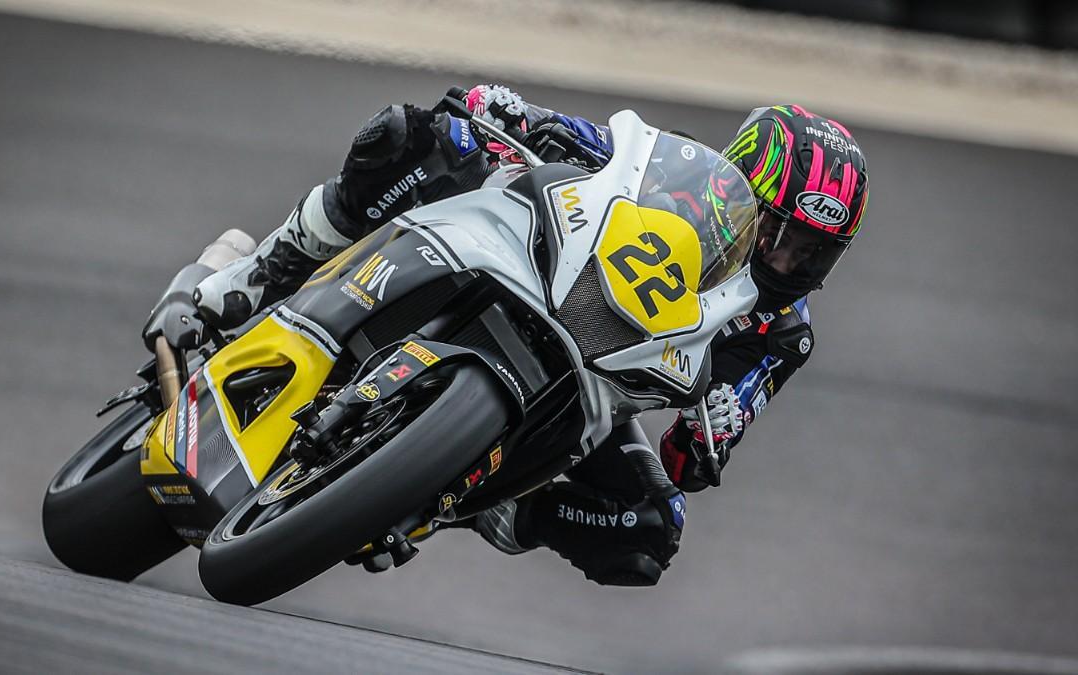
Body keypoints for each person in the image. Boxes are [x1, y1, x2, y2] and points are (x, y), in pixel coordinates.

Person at [149, 86, 869, 586]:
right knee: (411, 137)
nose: (787, 261)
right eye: (779, 235)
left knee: (649, 529)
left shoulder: (783, 336)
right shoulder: (676, 175)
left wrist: (711, 434)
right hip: (532, 267)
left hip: (598, 389)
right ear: (744, 181)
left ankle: (479, 497)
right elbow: (589, 142)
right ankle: (254, 276)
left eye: (811, 254)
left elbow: (689, 458)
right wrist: (515, 113)